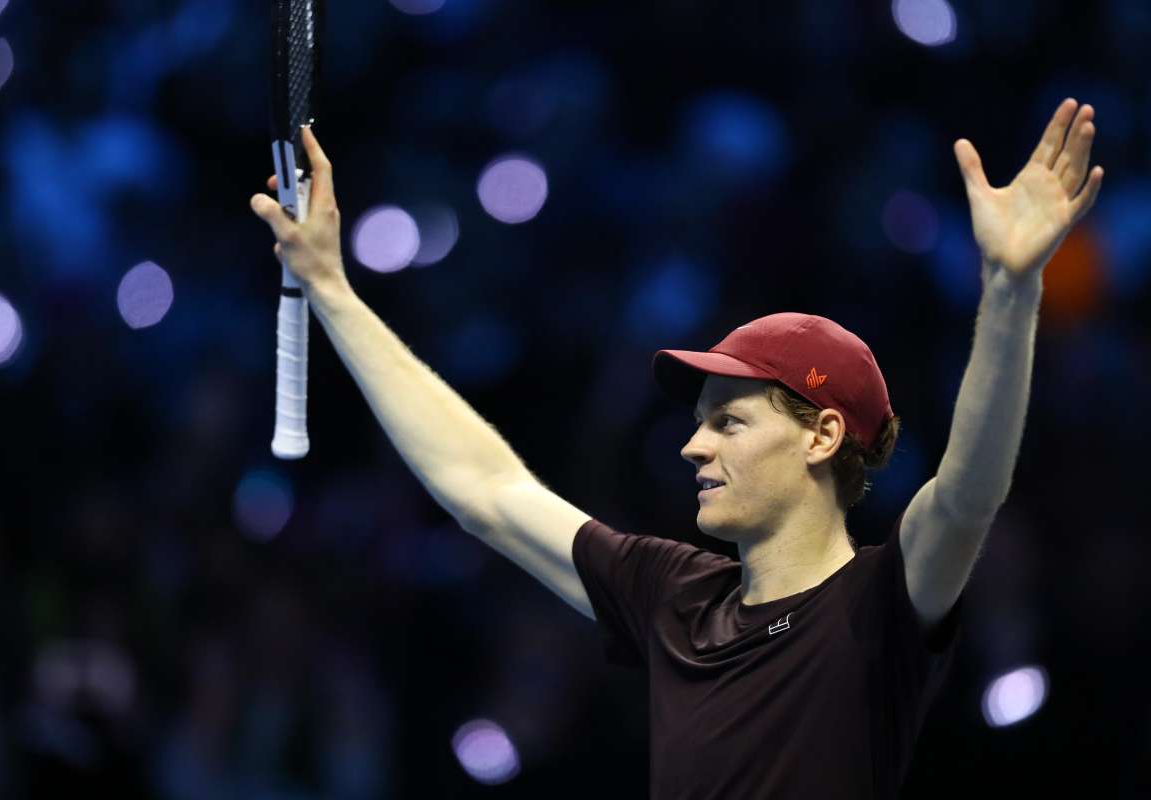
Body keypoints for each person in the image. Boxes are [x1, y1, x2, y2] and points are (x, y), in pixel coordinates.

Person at [250, 98, 1103, 798]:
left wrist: (1010, 288)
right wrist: (332, 289)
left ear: (822, 436)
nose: (692, 447)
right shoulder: (671, 594)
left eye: (728, 422)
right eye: (698, 421)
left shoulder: (877, 605)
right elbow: (485, 488)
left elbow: (967, 492)